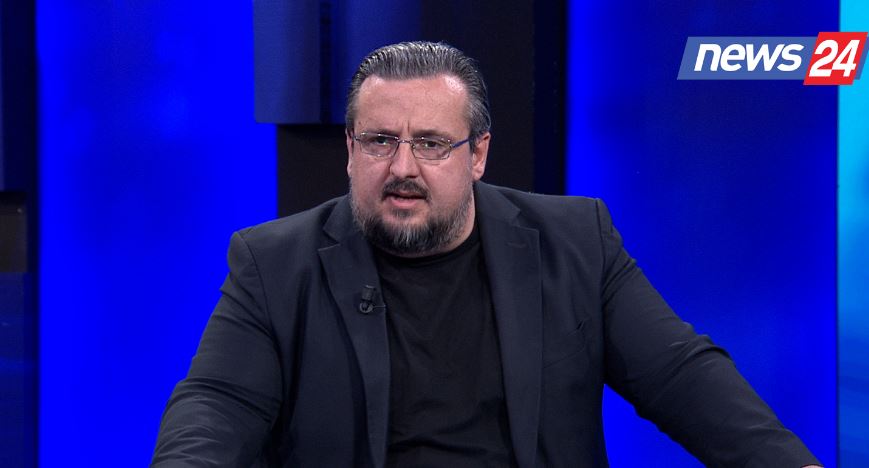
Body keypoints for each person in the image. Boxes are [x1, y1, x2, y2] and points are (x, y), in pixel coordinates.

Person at [152, 41, 822, 467]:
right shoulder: (275, 263)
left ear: (477, 154)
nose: (402, 167)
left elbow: (680, 376)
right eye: (380, 141)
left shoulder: (575, 242)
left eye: (431, 143)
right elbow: (218, 402)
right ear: (350, 150)